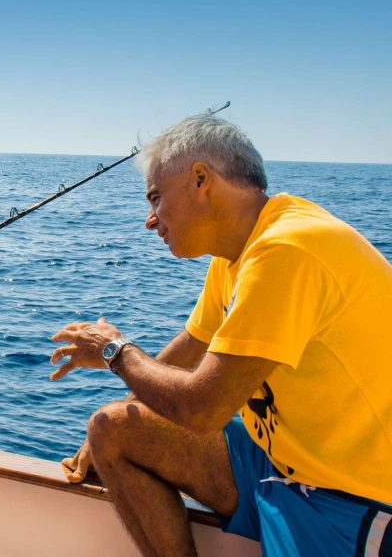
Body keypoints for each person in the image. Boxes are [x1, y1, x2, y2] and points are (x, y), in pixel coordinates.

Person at [49, 115, 392, 556]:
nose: (150, 221)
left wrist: (115, 352)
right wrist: (102, 434)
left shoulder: (287, 249)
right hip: (280, 465)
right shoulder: (237, 254)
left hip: (353, 498)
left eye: (155, 198)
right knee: (111, 428)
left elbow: (201, 410)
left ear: (200, 179)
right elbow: (191, 348)